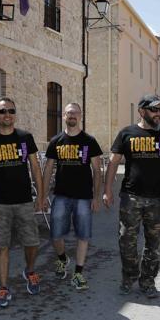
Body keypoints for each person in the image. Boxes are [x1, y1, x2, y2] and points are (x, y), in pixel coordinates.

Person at [103, 94, 160, 299]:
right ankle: (129, 277)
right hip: (131, 196)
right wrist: (107, 190)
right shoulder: (126, 133)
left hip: (159, 198)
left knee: (153, 243)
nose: (158, 114)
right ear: (141, 111)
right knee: (126, 240)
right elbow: (113, 162)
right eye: (153, 110)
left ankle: (147, 281)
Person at [0, 97, 44, 308]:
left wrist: (41, 196)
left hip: (24, 201)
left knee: (32, 242)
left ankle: (29, 271)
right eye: (2, 111)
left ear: (15, 114)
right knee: (1, 246)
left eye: (10, 111)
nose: (7, 115)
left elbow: (35, 168)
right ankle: (3, 287)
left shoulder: (25, 138)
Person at [43, 103, 103, 290]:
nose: (72, 116)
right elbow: (48, 170)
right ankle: (62, 258)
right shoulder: (56, 141)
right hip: (61, 195)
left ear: (81, 116)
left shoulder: (89, 141)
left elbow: (97, 170)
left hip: (84, 196)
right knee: (55, 234)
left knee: (83, 235)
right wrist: (43, 196)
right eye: (69, 113)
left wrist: (96, 197)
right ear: (64, 116)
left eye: (75, 113)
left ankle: (78, 273)